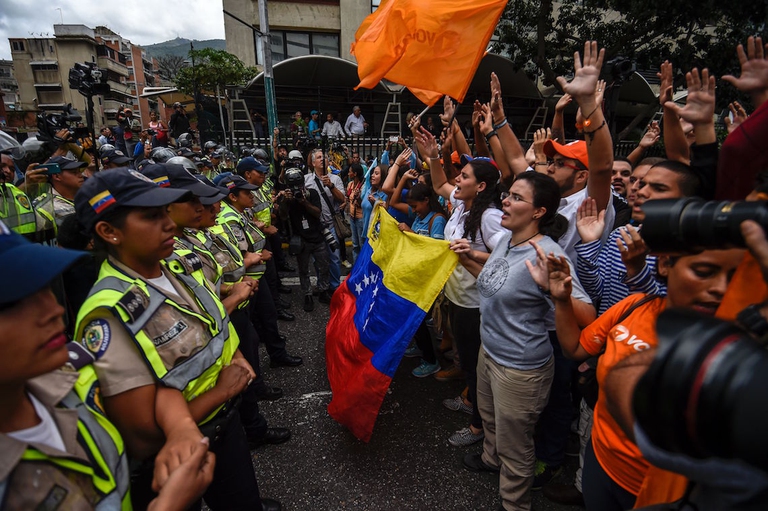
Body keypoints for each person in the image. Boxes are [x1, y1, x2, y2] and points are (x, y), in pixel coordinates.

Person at [72, 168, 282, 511]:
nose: (169, 224)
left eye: (166, 212)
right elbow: (142, 435)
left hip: (224, 422)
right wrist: (224, 390)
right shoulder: (110, 311)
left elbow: (213, 321)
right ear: (109, 232)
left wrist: (236, 356)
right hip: (184, 442)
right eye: (152, 217)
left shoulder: (173, 265)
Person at [0, 220, 217, 511]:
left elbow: (158, 389)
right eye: (12, 304)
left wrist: (181, 429)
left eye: (43, 290)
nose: (54, 311)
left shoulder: (68, 373)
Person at [548, 245, 744, 510]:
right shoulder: (635, 306)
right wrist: (562, 300)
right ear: (664, 264)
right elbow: (574, 348)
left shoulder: (737, 348)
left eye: (733, 277)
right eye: (703, 271)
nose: (721, 287)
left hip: (660, 490)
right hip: (601, 459)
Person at [452, 172, 595, 511]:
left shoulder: (548, 255)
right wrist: (465, 258)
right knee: (489, 418)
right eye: (508, 194)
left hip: (520, 368)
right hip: (491, 351)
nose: (505, 200)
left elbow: (588, 316)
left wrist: (551, 289)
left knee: (516, 444)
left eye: (516, 197)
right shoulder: (507, 239)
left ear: (538, 212)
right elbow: (493, 282)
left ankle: (514, 502)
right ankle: (491, 459)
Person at [416, 126, 507, 448]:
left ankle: (477, 425)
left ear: (481, 186)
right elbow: (440, 182)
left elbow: (507, 253)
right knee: (466, 358)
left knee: (474, 364)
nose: (458, 180)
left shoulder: (491, 217)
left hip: (476, 304)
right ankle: (472, 402)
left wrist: (471, 253)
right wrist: (431, 157)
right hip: (459, 297)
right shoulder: (462, 205)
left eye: (465, 176)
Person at [392, 167, 447, 377]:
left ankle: (431, 360)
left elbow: (437, 251)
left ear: (426, 200)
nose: (413, 210)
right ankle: (421, 348)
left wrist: (412, 233)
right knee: (414, 319)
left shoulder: (437, 219)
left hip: (428, 280)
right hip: (416, 276)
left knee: (419, 319)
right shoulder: (421, 215)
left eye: (415, 206)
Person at [281, 167, 330, 312]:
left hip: (317, 237)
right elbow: (283, 216)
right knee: (303, 270)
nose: (296, 189)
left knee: (324, 266)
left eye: (299, 185)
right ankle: (307, 294)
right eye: (292, 186)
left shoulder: (312, 193)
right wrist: (285, 201)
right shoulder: (288, 198)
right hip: (301, 240)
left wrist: (303, 201)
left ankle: (323, 291)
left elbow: (317, 213)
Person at [304, 148, 345, 293]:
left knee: (334, 258)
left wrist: (331, 186)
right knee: (317, 259)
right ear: (313, 162)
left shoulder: (335, 179)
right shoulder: (306, 180)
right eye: (319, 157)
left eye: (324, 157)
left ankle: (334, 287)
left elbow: (342, 200)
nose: (322, 159)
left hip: (331, 225)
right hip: (315, 227)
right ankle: (322, 285)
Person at [31, 155, 86, 226]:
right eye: (74, 172)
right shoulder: (48, 206)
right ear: (57, 176)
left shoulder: (85, 196)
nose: (81, 175)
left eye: (80, 172)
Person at [346, 162, 365, 263]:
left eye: (350, 172)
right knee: (355, 244)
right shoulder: (350, 185)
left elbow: (363, 204)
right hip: (352, 217)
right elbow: (348, 198)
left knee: (361, 243)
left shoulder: (363, 187)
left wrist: (358, 198)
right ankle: (355, 267)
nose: (349, 173)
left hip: (360, 218)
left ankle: (362, 266)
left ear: (355, 173)